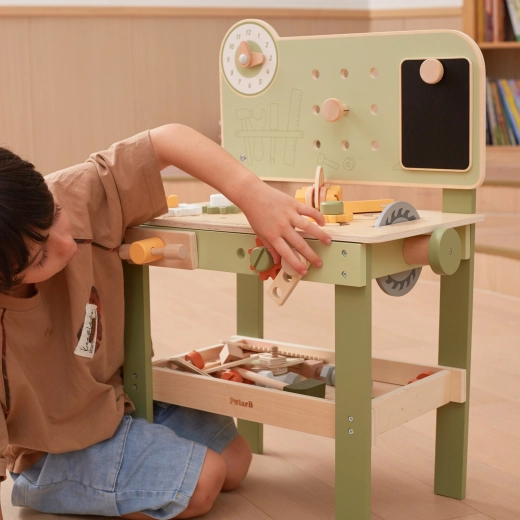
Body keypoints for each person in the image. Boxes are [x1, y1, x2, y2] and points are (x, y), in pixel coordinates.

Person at [0, 124, 331, 519]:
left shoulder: (75, 193)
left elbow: (167, 140)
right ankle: (43, 484)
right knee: (204, 482)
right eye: (39, 258)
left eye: (54, 214)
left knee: (235, 462)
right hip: (55, 447)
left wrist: (252, 194)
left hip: (116, 401)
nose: (65, 244)